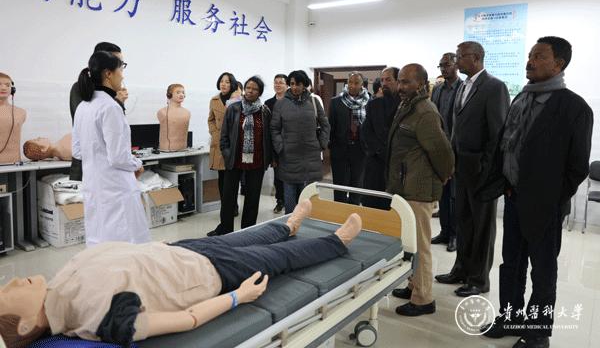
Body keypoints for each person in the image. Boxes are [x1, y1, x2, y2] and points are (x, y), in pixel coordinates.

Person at [0, 201, 363, 348]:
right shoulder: (103, 319)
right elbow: (187, 319)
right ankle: (337, 242)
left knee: (249, 236)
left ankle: (289, 224)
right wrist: (238, 297)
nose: (13, 280)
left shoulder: (60, 283)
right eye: (8, 292)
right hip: (209, 274)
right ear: (26, 324)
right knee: (277, 257)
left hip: (181, 250)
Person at [479, 37, 593, 348]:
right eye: (530, 55)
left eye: (539, 56)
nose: (530, 61)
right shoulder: (521, 99)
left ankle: (538, 333)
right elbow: (508, 145)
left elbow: (577, 167)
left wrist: (551, 199)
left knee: (542, 271)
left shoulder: (574, 107)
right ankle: (510, 317)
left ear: (559, 64)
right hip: (514, 198)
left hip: (545, 205)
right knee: (511, 264)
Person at [435, 41, 510, 297]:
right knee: (464, 222)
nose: (456, 61)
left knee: (482, 227)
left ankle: (479, 279)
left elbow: (498, 133)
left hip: (481, 172)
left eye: (460, 56)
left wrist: (487, 170)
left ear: (476, 57)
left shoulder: (494, 87)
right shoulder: (463, 86)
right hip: (461, 168)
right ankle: (461, 270)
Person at [387, 64, 454, 316]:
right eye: (400, 81)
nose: (400, 87)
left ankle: (423, 298)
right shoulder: (408, 107)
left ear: (421, 84)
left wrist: (444, 174)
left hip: (418, 188)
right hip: (405, 186)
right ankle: (414, 285)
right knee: (409, 242)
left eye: (406, 82)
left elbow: (442, 151)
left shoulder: (425, 111)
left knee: (420, 245)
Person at [72, 51, 149, 246]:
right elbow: (118, 157)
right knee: (125, 243)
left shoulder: (83, 107)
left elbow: (77, 151)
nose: (122, 76)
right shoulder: (110, 107)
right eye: (121, 69)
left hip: (93, 184)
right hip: (116, 187)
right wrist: (138, 163)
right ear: (108, 74)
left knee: (98, 241)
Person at [209, 76, 272, 235]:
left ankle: (247, 232)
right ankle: (225, 230)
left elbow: (268, 137)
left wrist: (269, 158)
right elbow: (224, 135)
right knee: (228, 198)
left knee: (252, 199)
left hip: (256, 162)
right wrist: (227, 153)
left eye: (255, 89)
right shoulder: (234, 108)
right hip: (234, 161)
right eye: (248, 88)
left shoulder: (265, 112)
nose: (250, 91)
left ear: (260, 92)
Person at [271, 70, 330, 214]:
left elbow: (325, 125)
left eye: (298, 84)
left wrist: (321, 144)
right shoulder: (281, 104)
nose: (295, 87)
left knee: (307, 200)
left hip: (310, 156)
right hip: (288, 157)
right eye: (292, 84)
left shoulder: (314, 102)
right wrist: (280, 147)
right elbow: (274, 128)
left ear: (304, 85)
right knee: (290, 200)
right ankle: (290, 224)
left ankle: (306, 224)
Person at [69, 42, 123, 181]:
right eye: (118, 63)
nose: (121, 71)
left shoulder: (110, 97)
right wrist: (117, 102)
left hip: (105, 166)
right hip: (87, 164)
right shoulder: (81, 89)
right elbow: (88, 125)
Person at [430, 53, 463, 252]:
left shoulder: (463, 88)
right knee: (442, 193)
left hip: (456, 149)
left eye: (447, 65)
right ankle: (444, 231)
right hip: (439, 150)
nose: (443, 68)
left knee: (454, 196)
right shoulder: (437, 90)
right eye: (441, 65)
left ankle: (455, 235)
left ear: (456, 65)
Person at [361, 67, 401, 209]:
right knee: (371, 206)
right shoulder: (373, 105)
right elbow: (366, 132)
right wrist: (379, 150)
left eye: (388, 80)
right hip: (375, 163)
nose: (384, 83)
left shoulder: (405, 106)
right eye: (382, 80)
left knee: (394, 208)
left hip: (397, 165)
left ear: (398, 81)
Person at [328, 72, 369, 204]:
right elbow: (331, 127)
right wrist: (332, 147)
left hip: (360, 150)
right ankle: (340, 213)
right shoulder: (336, 102)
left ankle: (354, 210)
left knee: (357, 186)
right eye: (350, 82)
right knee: (339, 186)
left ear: (362, 85)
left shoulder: (369, 102)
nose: (352, 85)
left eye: (356, 83)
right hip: (340, 150)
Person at [208, 72, 239, 219]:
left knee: (232, 177)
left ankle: (233, 205)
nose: (224, 84)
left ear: (232, 84)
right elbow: (211, 119)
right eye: (222, 81)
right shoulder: (214, 100)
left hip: (233, 142)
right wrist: (214, 132)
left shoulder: (237, 99)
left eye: (227, 82)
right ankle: (225, 206)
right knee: (221, 177)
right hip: (219, 141)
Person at [265, 74, 288, 214]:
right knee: (278, 176)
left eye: (281, 82)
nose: (278, 85)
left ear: (287, 85)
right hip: (274, 145)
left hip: (289, 145)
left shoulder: (291, 102)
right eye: (276, 82)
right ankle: (280, 201)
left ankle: (291, 201)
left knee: (289, 176)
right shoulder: (268, 103)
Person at [0, 73, 26, 164]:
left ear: (12, 90)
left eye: (7, 85)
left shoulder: (21, 112)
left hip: (15, 165)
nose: (3, 88)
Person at [157, 84, 191, 152]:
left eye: (183, 92)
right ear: (169, 95)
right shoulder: (162, 112)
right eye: (178, 92)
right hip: (166, 150)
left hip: (183, 150)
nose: (181, 95)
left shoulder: (187, 112)